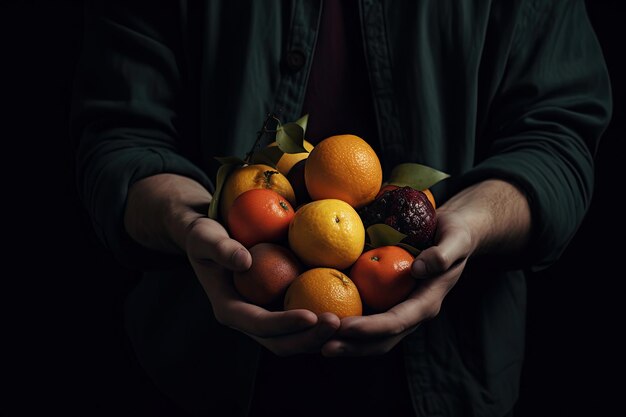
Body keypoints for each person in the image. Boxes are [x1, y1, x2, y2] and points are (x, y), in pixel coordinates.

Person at [71, 0, 611, 416]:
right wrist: (186, 221)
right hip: (197, 371)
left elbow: (557, 138)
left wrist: (474, 222)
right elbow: (119, 138)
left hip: (453, 379)